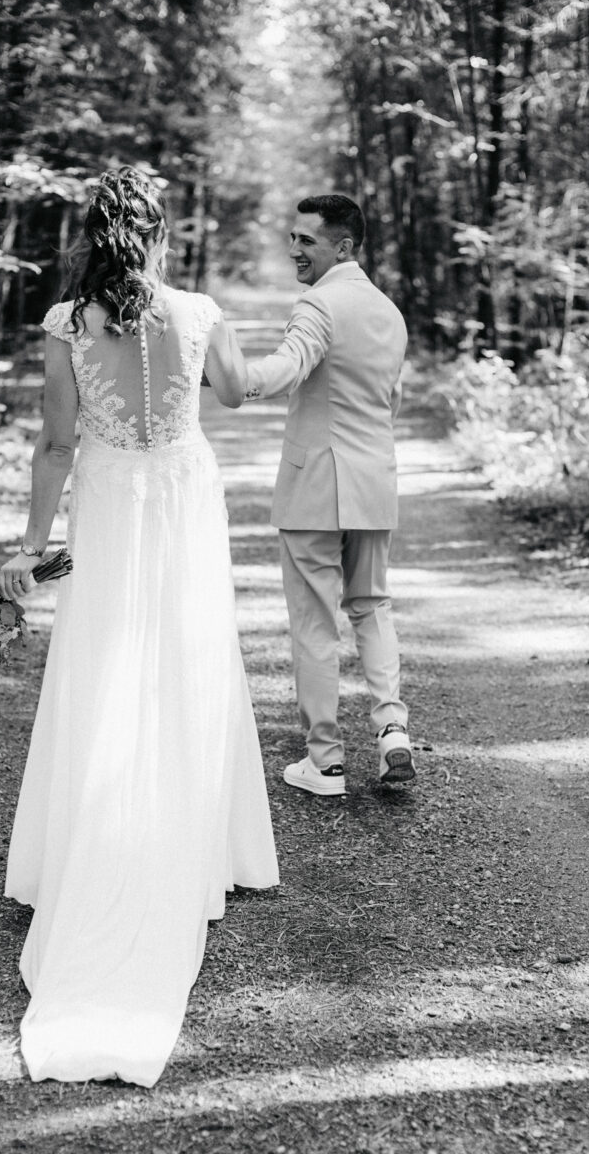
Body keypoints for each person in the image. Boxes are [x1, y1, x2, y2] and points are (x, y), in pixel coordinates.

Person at [0, 166, 278, 1088]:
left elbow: (56, 442)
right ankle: (198, 845)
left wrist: (32, 547)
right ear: (159, 233)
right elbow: (238, 392)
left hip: (113, 502)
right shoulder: (198, 313)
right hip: (184, 498)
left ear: (93, 234)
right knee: (189, 656)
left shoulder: (69, 325)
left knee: (106, 662)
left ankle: (90, 847)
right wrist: (306, 348)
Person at [242, 193, 414, 796]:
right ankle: (392, 727)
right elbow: (390, 402)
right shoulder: (390, 313)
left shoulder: (319, 303)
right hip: (373, 483)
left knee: (314, 622)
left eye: (306, 241)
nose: (294, 251)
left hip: (316, 487)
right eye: (292, 238)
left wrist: (225, 376)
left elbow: (288, 366)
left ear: (342, 246)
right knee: (372, 605)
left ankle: (327, 763)